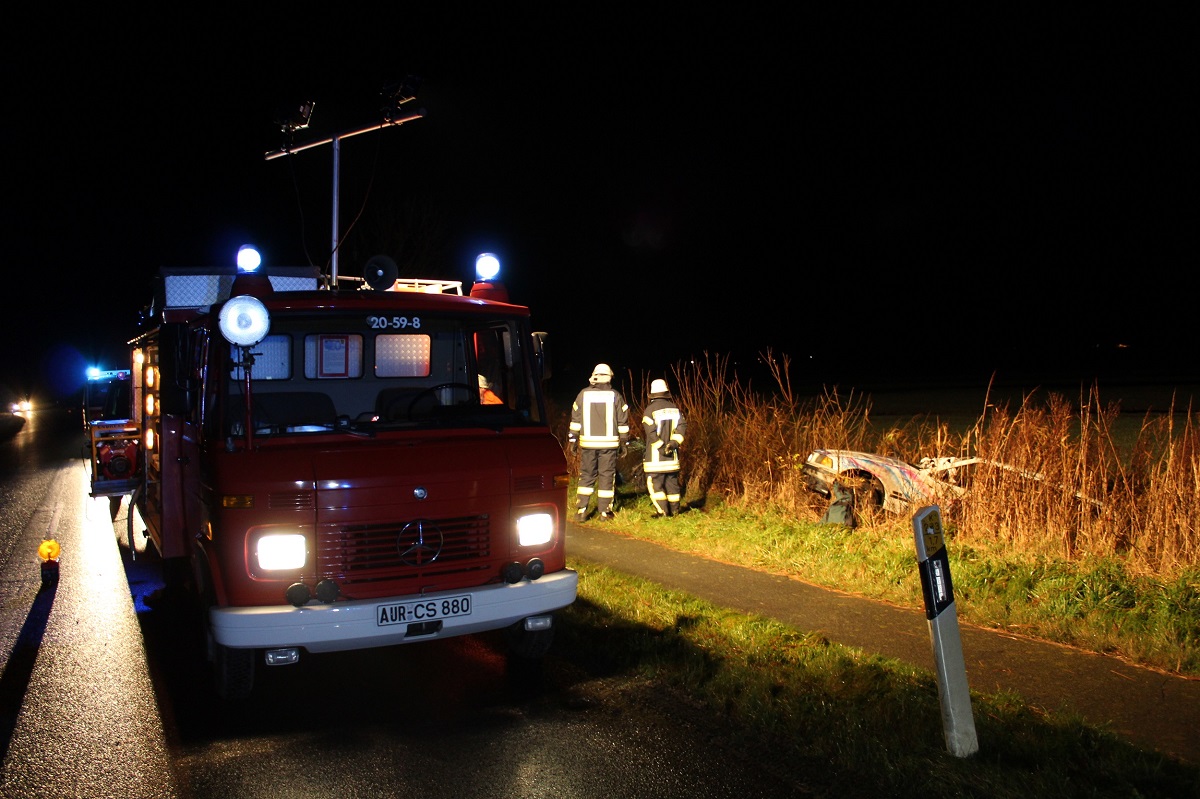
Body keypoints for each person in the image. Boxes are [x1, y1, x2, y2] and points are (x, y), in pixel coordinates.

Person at [568, 363, 630, 520]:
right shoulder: (615, 396)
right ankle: (604, 512)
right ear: (609, 378)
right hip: (609, 445)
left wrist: (573, 439)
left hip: (588, 444)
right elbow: (623, 421)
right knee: (606, 476)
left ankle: (581, 511)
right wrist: (624, 442)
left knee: (586, 475)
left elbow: (575, 419)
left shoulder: (583, 395)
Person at [642, 378, 686, 517]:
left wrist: (661, 448)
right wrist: (673, 444)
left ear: (652, 395)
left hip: (655, 459)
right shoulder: (675, 409)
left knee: (655, 484)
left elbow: (651, 434)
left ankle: (662, 512)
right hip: (672, 458)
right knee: (672, 484)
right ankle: (675, 510)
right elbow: (682, 427)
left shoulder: (649, 411)